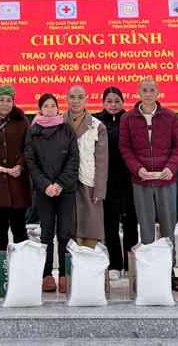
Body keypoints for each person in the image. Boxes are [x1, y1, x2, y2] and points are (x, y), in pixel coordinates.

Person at [119, 78, 178, 291]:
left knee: (168, 228)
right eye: (144, 90)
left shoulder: (171, 116)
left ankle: (169, 273)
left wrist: (171, 168)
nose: (148, 94)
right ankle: (149, 273)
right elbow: (125, 148)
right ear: (138, 93)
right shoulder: (128, 118)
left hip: (166, 180)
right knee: (146, 229)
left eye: (152, 90)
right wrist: (137, 169)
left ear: (158, 93)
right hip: (141, 181)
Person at [24, 93, 79, 294]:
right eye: (45, 106)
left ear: (58, 108)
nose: (49, 109)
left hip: (66, 190)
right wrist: (46, 185)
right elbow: (30, 161)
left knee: (65, 233)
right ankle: (46, 275)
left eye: (52, 105)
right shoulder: (33, 131)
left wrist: (60, 184)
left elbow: (73, 159)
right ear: (40, 109)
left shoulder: (67, 129)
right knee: (46, 233)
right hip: (44, 191)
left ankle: (64, 274)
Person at [0, 84, 32, 253]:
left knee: (19, 227)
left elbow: (29, 146)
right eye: (1, 100)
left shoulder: (22, 120)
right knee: (0, 227)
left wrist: (21, 165)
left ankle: (21, 263)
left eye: (9, 100)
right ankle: (2, 264)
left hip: (18, 182)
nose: (5, 103)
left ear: (13, 102)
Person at [95, 86, 137, 279]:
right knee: (109, 224)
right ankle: (114, 264)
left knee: (130, 223)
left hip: (129, 179)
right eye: (109, 101)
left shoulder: (130, 119)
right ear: (103, 103)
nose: (113, 105)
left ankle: (129, 265)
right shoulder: (95, 121)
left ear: (123, 102)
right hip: (106, 180)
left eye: (117, 101)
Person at [63, 85, 108, 248]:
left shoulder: (97, 126)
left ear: (87, 99)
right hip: (64, 182)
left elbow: (102, 161)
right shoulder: (59, 122)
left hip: (89, 181)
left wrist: (99, 190)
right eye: (72, 97)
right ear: (66, 99)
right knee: (67, 225)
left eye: (80, 97)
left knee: (91, 224)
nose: (76, 101)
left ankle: (90, 257)